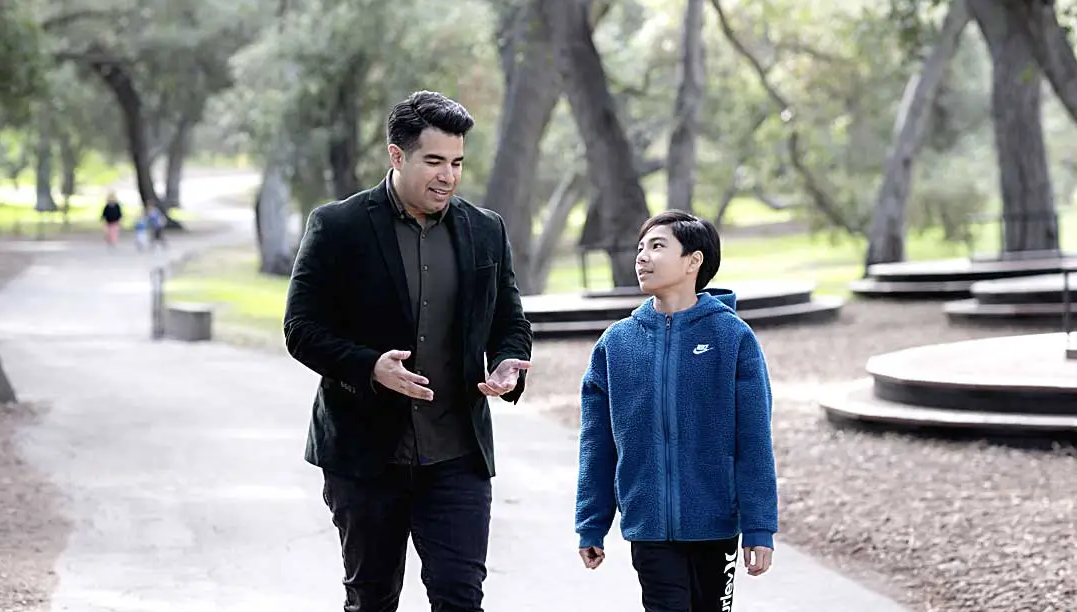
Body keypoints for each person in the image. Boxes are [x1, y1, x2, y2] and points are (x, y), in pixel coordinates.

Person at [284, 90, 533, 612]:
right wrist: (370, 367)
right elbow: (301, 328)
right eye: (435, 161)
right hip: (366, 455)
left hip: (457, 455)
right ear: (397, 156)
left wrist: (509, 361)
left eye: (458, 163)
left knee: (461, 600)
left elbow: (510, 321)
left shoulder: (486, 230)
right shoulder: (339, 227)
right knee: (372, 600)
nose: (448, 176)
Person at [575, 210, 778, 612]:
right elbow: (597, 444)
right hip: (649, 526)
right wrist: (592, 522)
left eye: (657, 246)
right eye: (640, 248)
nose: (642, 257)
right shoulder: (617, 344)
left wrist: (759, 526)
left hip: (716, 525)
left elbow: (753, 440)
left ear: (693, 261)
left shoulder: (732, 337)